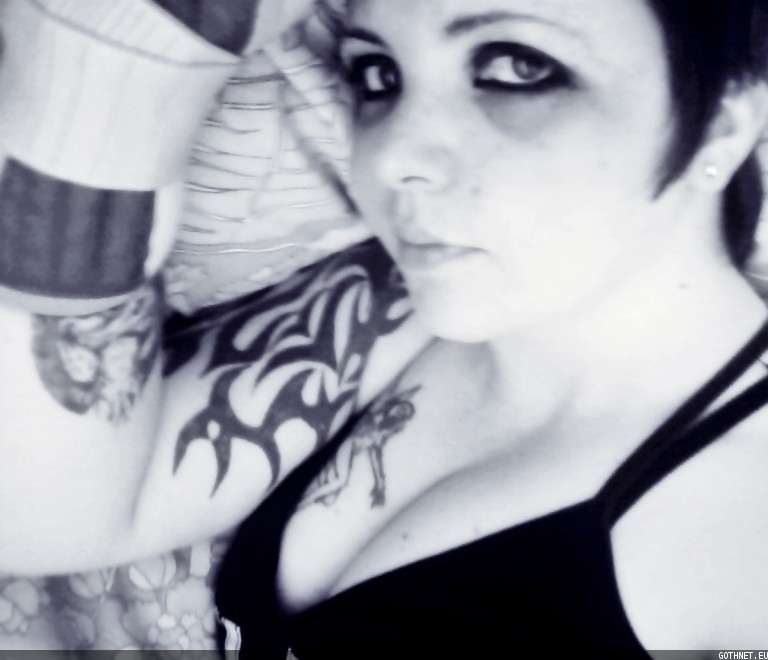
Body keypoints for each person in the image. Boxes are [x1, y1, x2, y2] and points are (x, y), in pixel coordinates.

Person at [1, 0, 768, 657]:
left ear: (724, 123)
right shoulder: (397, 301)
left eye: (517, 68)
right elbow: (57, 516)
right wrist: (104, 106)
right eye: (377, 75)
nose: (393, 154)